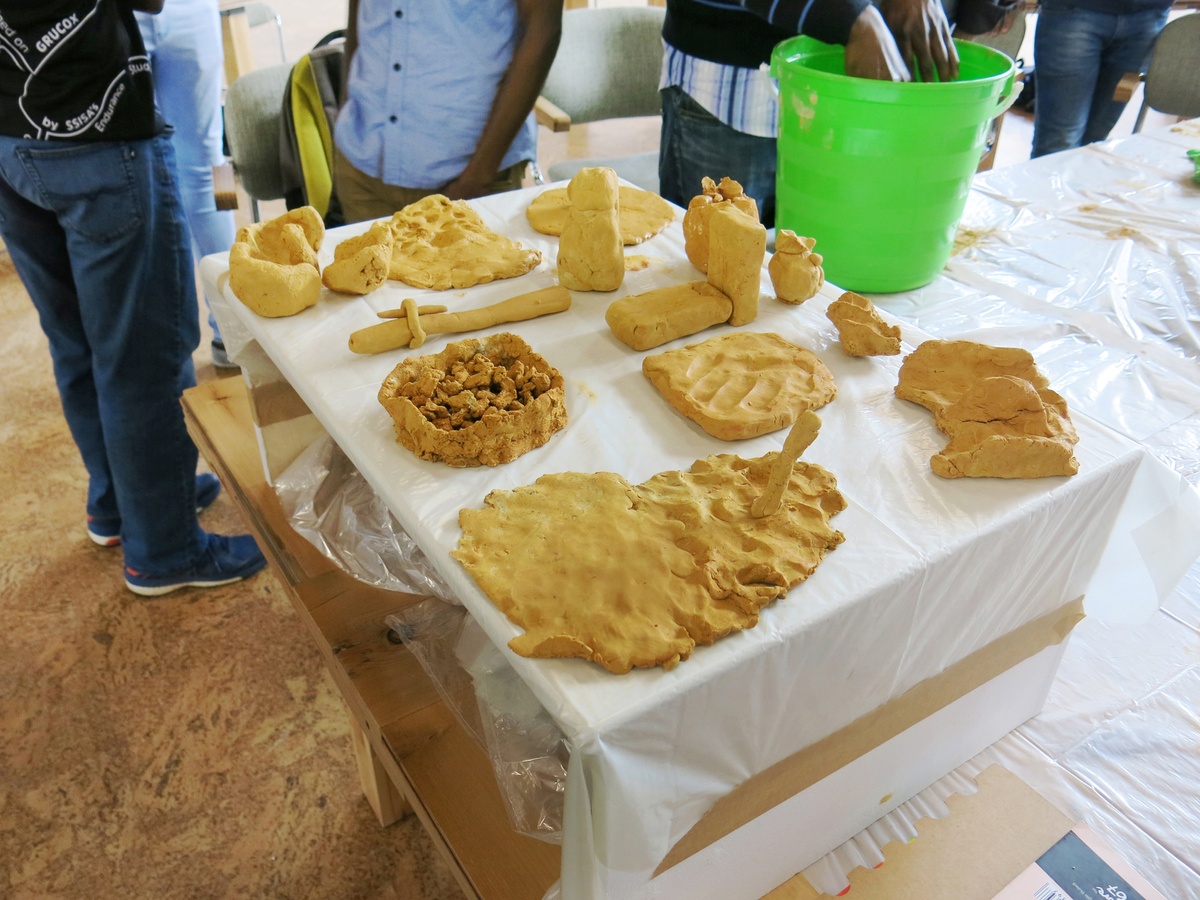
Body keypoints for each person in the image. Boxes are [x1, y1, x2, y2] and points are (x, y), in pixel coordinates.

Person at [0, 0, 267, 596]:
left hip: (9, 130)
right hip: (94, 126)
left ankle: (121, 503)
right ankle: (164, 549)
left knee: (75, 339)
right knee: (142, 352)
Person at [659, 0, 978, 227]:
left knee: (823, 277)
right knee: (714, 270)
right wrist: (850, 14)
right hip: (739, 83)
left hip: (868, 85)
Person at [332, 0, 562, 224]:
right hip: (362, 166)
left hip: (469, 183)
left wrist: (478, 177)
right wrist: (347, 103)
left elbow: (543, 27)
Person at [135, 0, 239, 369]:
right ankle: (157, 349)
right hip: (110, 16)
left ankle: (233, 329)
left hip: (191, 9)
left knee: (212, 167)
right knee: (134, 174)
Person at [1030, 0, 1171, 157]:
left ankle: (1075, 181)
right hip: (1074, 9)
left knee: (1095, 139)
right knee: (1059, 141)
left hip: (1149, 14)